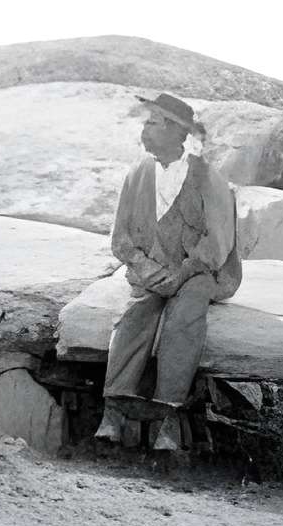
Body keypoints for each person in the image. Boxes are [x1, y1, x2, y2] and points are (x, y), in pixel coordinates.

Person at [95, 91, 242, 450]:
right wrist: (146, 269)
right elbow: (122, 238)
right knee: (136, 315)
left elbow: (218, 243)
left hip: (200, 273)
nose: (144, 130)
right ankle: (113, 412)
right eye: (145, 122)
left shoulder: (209, 178)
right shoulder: (138, 174)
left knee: (185, 315)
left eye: (152, 122)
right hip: (152, 273)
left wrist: (183, 272)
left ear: (178, 132)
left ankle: (169, 420)